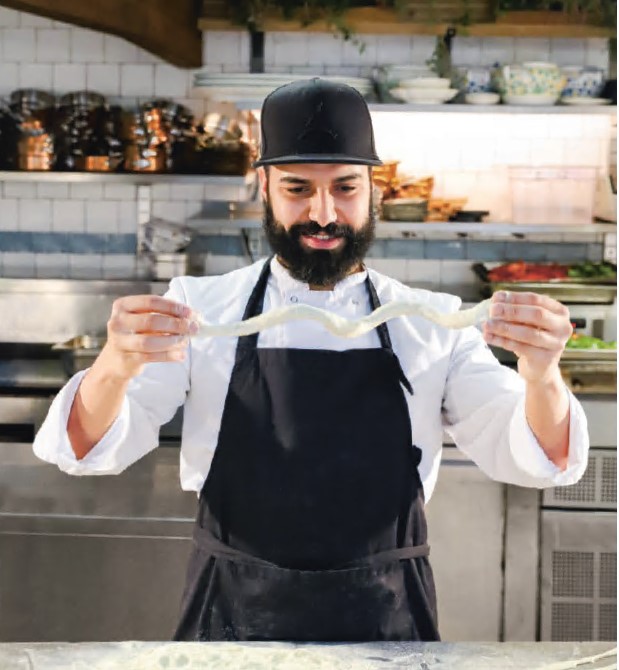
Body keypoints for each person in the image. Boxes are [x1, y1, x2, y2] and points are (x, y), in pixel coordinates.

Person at [34, 78, 589, 642]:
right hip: (230, 621)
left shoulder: (431, 322)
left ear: (375, 192)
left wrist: (542, 375)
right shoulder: (201, 311)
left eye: (345, 188)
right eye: (298, 188)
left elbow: (531, 457)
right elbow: (88, 450)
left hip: (385, 623)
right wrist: (113, 365)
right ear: (265, 188)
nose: (323, 214)